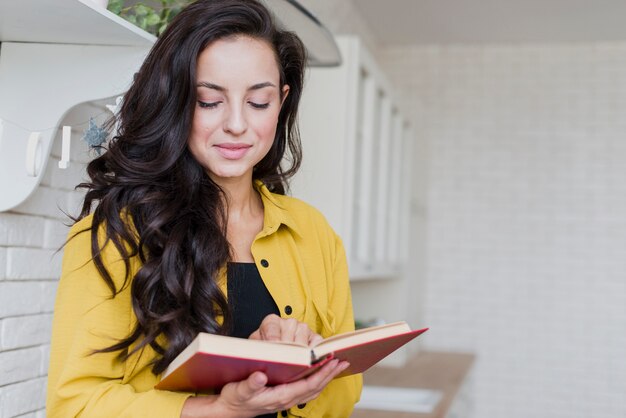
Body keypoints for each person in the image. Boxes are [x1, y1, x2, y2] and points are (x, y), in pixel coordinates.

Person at [45, 0, 362, 417]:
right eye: (209, 101)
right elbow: (74, 406)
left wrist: (297, 366)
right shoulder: (115, 234)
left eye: (259, 103)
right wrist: (220, 408)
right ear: (176, 101)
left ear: (282, 102)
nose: (236, 124)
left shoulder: (313, 232)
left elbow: (347, 391)